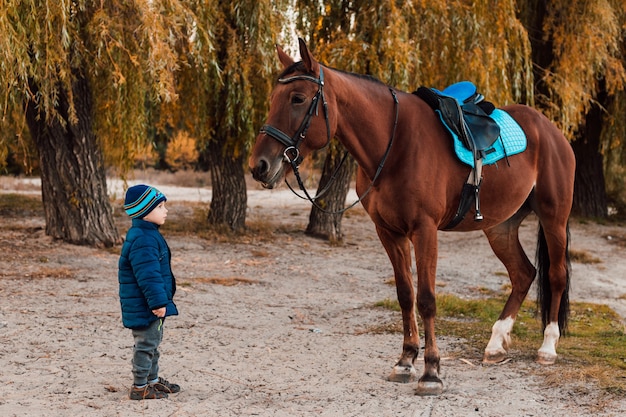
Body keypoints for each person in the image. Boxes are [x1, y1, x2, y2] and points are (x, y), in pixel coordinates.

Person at [118, 184, 180, 400]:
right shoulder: (143, 239)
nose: (166, 211)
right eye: (160, 206)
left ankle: (152, 381)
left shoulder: (147, 234)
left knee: (153, 343)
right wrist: (157, 303)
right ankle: (140, 387)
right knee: (145, 345)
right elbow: (148, 276)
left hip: (148, 304)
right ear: (145, 212)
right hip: (146, 305)